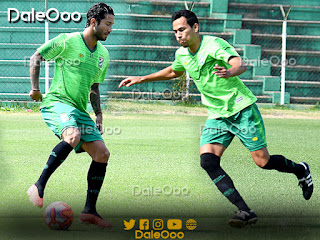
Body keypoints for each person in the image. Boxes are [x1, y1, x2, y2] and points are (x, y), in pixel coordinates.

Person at [118, 9, 313, 228]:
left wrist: (230, 72)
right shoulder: (182, 54)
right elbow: (175, 71)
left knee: (262, 161)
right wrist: (142, 78)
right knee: (208, 161)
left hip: (242, 110)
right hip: (218, 116)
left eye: (182, 29)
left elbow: (240, 63)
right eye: (175, 32)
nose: (179, 35)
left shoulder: (213, 45)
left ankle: (300, 169)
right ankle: (245, 210)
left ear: (196, 27)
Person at [27, 2, 114, 228]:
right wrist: (35, 89)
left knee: (102, 153)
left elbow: (94, 86)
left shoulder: (103, 54)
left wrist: (99, 115)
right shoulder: (67, 40)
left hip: (79, 109)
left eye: (112, 25)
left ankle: (89, 211)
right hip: (57, 103)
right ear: (93, 22)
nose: (110, 29)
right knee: (72, 135)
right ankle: (38, 185)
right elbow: (36, 57)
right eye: (107, 24)